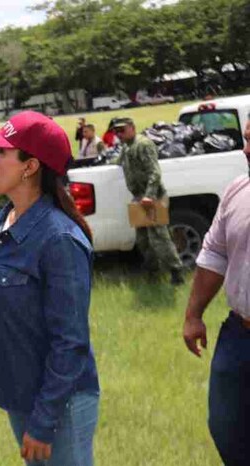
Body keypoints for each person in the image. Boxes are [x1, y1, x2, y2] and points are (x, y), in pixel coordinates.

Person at [0, 111, 100, 466]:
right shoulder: (2, 222)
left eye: (0, 154)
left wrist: (44, 422)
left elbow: (70, 342)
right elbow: (1, 310)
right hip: (22, 391)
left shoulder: (59, 239)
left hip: (60, 402)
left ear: (30, 167)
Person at [182, 119, 250, 466]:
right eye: (248, 139)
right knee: (227, 426)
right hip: (241, 333)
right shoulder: (239, 190)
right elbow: (214, 254)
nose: (247, 150)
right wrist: (194, 314)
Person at [111, 117, 185, 285]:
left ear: (132, 128)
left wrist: (149, 196)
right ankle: (153, 273)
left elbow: (154, 172)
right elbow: (117, 162)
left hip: (151, 196)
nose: (119, 134)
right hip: (138, 196)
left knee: (159, 237)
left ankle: (176, 272)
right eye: (116, 131)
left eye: (122, 130)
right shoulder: (126, 147)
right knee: (143, 240)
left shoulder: (143, 144)